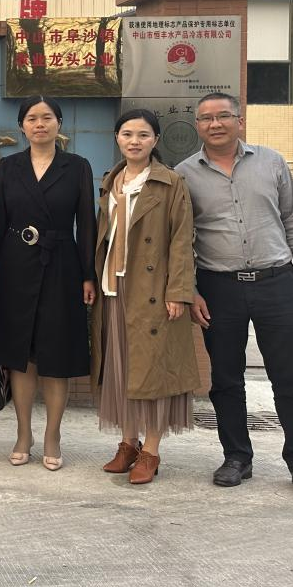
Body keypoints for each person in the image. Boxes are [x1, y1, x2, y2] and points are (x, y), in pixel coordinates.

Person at [176, 93, 293, 504]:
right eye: (206, 118)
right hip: (218, 288)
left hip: (277, 282)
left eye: (223, 116)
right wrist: (190, 289)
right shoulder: (184, 174)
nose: (215, 124)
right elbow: (181, 239)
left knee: (290, 379)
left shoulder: (271, 162)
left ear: (239, 121)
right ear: (197, 125)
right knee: (225, 379)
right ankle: (237, 457)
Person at [0, 96, 97, 471]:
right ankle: (23, 434)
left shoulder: (77, 166)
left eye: (47, 117)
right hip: (15, 266)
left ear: (59, 124)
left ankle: (53, 435)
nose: (39, 124)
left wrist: (87, 274)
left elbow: (87, 223)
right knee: (20, 355)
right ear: (22, 126)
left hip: (61, 266)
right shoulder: (9, 166)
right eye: (31, 118)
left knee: (55, 355)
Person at [92, 108, 197, 485]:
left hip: (153, 291)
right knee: (122, 370)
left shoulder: (171, 182)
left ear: (155, 140)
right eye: (127, 134)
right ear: (117, 138)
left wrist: (178, 292)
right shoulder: (111, 180)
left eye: (142, 135)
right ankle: (128, 443)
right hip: (113, 287)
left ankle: (150, 451)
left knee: (153, 372)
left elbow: (182, 240)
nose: (134, 141)